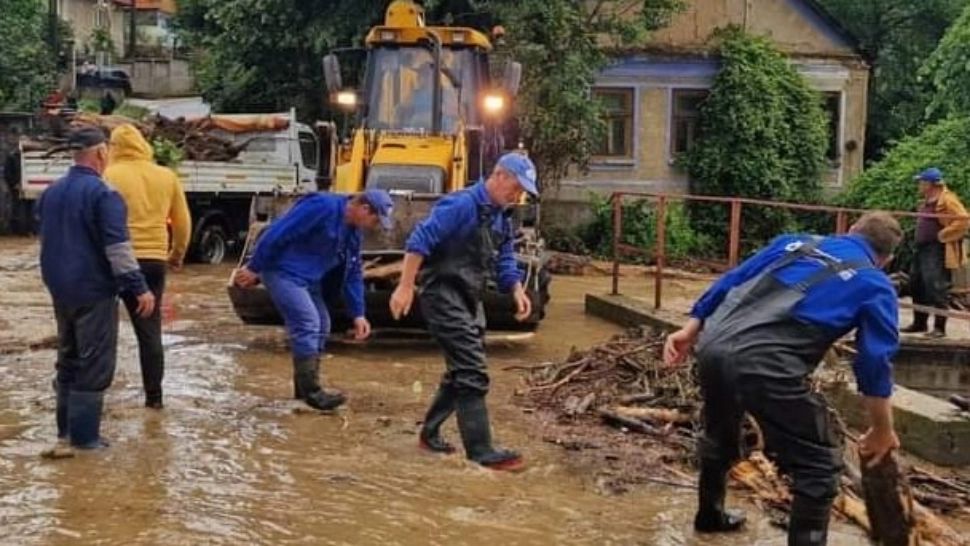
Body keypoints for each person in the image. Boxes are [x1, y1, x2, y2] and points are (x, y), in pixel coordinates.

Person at [663, 212, 904, 546]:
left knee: (719, 435)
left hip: (714, 345)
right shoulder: (875, 285)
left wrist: (691, 328)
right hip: (765, 364)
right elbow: (874, 362)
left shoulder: (794, 243)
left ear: (848, 230)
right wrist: (881, 429)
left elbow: (734, 278)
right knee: (819, 466)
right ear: (886, 259)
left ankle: (710, 517)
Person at [389, 152, 537, 471]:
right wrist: (404, 286)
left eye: (521, 191)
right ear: (498, 176)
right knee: (472, 371)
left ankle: (429, 434)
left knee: (462, 368)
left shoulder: (501, 215)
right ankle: (481, 451)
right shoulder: (460, 205)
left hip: (470, 295)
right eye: (515, 187)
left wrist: (515, 289)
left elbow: (505, 257)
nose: (517, 195)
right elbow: (419, 240)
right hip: (441, 292)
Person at [36, 127, 155, 449]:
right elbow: (118, 248)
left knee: (68, 357)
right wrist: (139, 288)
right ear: (102, 153)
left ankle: (64, 434)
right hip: (94, 289)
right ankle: (86, 440)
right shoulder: (105, 194)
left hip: (59, 288)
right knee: (95, 363)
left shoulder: (51, 192)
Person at [233, 189, 394, 410]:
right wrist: (254, 268)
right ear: (364, 208)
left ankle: (303, 391)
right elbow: (279, 233)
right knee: (308, 322)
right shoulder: (323, 207)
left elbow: (353, 272)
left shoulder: (353, 232)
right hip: (283, 272)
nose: (375, 225)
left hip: (310, 279)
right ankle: (313, 392)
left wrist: (358, 314)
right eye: (376, 219)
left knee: (323, 324)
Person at [103, 124, 192, 409]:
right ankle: (154, 399)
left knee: (103, 330)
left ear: (113, 148)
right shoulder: (166, 176)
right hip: (154, 260)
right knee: (150, 333)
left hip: (113, 261)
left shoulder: (108, 175)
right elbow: (183, 222)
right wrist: (176, 255)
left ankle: (97, 396)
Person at [901, 167, 969, 338]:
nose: (919, 185)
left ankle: (939, 327)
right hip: (922, 248)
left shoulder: (947, 199)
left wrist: (944, 234)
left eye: (921, 182)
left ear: (931, 184)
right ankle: (920, 323)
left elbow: (963, 219)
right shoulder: (927, 200)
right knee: (917, 284)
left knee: (937, 286)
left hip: (936, 249)